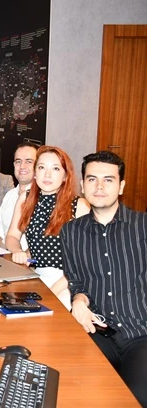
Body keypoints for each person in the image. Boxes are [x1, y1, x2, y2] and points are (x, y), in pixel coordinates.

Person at [61, 151, 147, 406]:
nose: (99, 186)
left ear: (121, 186)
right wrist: (78, 300)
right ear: (82, 184)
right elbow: (75, 280)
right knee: (74, 394)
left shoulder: (142, 226)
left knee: (136, 399)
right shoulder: (71, 231)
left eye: (108, 180)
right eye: (92, 179)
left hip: (140, 336)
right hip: (97, 332)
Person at [5, 145, 89, 308]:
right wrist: (17, 251)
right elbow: (12, 236)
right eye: (42, 167)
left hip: (67, 282)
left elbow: (84, 262)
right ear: (35, 173)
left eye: (56, 168)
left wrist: (51, 292)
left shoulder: (79, 206)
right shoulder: (26, 198)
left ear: (65, 176)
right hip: (35, 275)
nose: (47, 174)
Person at [0, 142, 38, 248]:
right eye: (18, 161)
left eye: (29, 161)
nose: (22, 166)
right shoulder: (9, 195)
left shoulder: (43, 199)